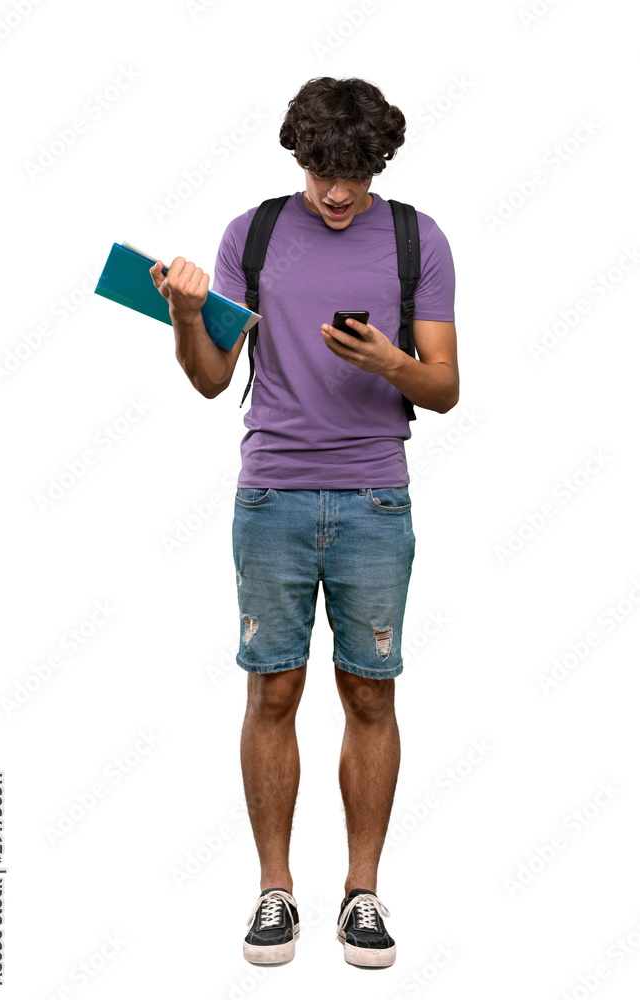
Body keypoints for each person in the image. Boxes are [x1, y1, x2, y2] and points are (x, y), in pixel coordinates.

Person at [149, 76, 458, 970]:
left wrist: (390, 361)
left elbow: (443, 389)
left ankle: (361, 896)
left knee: (369, 691)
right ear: (298, 156)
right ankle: (274, 892)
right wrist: (181, 313)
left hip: (374, 498)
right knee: (272, 691)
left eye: (353, 174)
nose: (335, 191)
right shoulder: (250, 234)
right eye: (321, 170)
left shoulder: (416, 239)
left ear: (379, 164)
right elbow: (212, 378)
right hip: (271, 495)